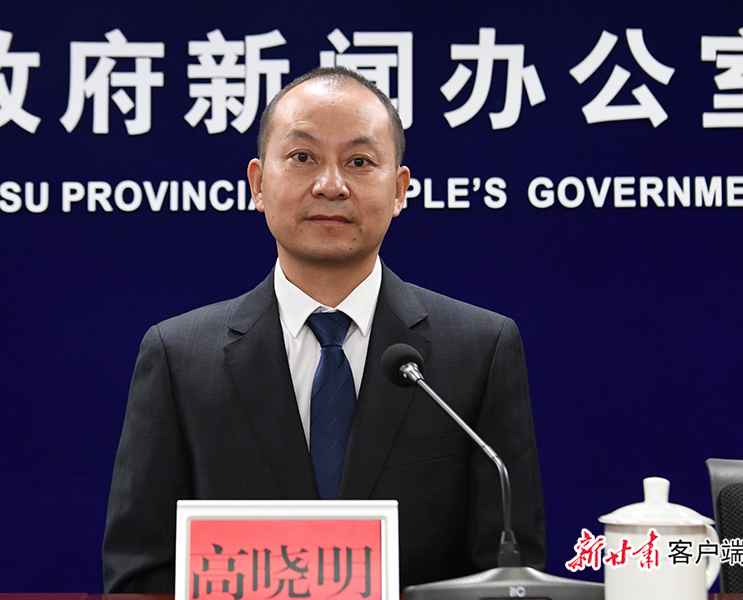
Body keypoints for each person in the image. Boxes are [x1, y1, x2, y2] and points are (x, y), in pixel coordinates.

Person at [102, 66, 546, 592]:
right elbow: (141, 573)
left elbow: (508, 576)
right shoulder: (180, 357)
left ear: (399, 190)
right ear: (258, 184)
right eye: (302, 157)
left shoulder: (479, 350)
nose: (330, 185)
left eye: (359, 162)